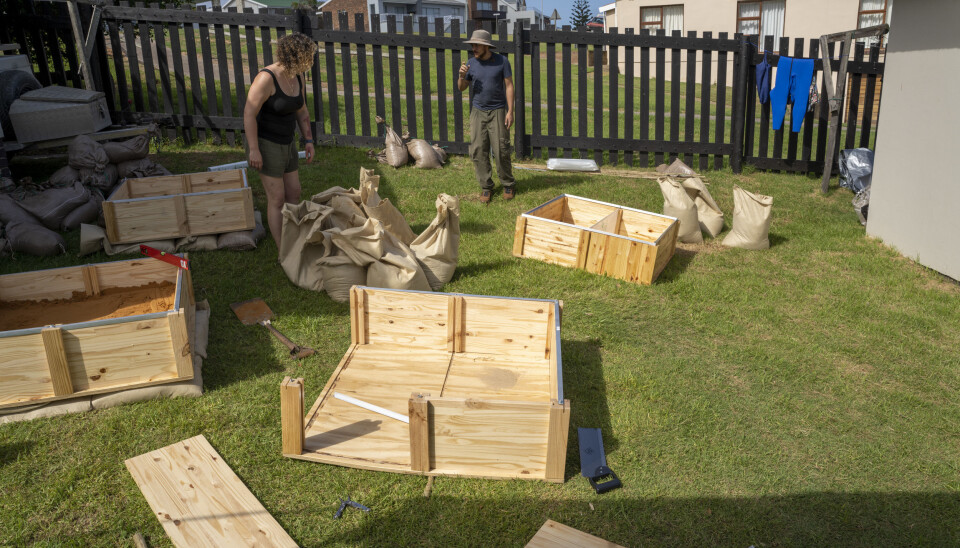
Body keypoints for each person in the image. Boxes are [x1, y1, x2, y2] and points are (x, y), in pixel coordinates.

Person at [243, 32, 317, 251]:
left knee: (294, 193)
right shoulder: (266, 78)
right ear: (295, 56)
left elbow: (302, 110)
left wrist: (308, 140)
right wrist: (254, 149)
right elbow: (249, 114)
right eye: (307, 57)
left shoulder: (297, 77)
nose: (310, 62)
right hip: (265, 143)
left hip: (287, 142)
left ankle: (293, 238)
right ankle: (283, 251)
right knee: (277, 198)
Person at [457, 29, 515, 204]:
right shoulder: (471, 64)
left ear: (486, 46)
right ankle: (486, 186)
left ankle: (508, 184)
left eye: (477, 45)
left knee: (501, 149)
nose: (473, 48)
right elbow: (461, 87)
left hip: (498, 110)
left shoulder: (502, 61)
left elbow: (509, 86)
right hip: (478, 111)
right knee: (478, 149)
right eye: (472, 45)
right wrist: (461, 76)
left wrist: (510, 111)